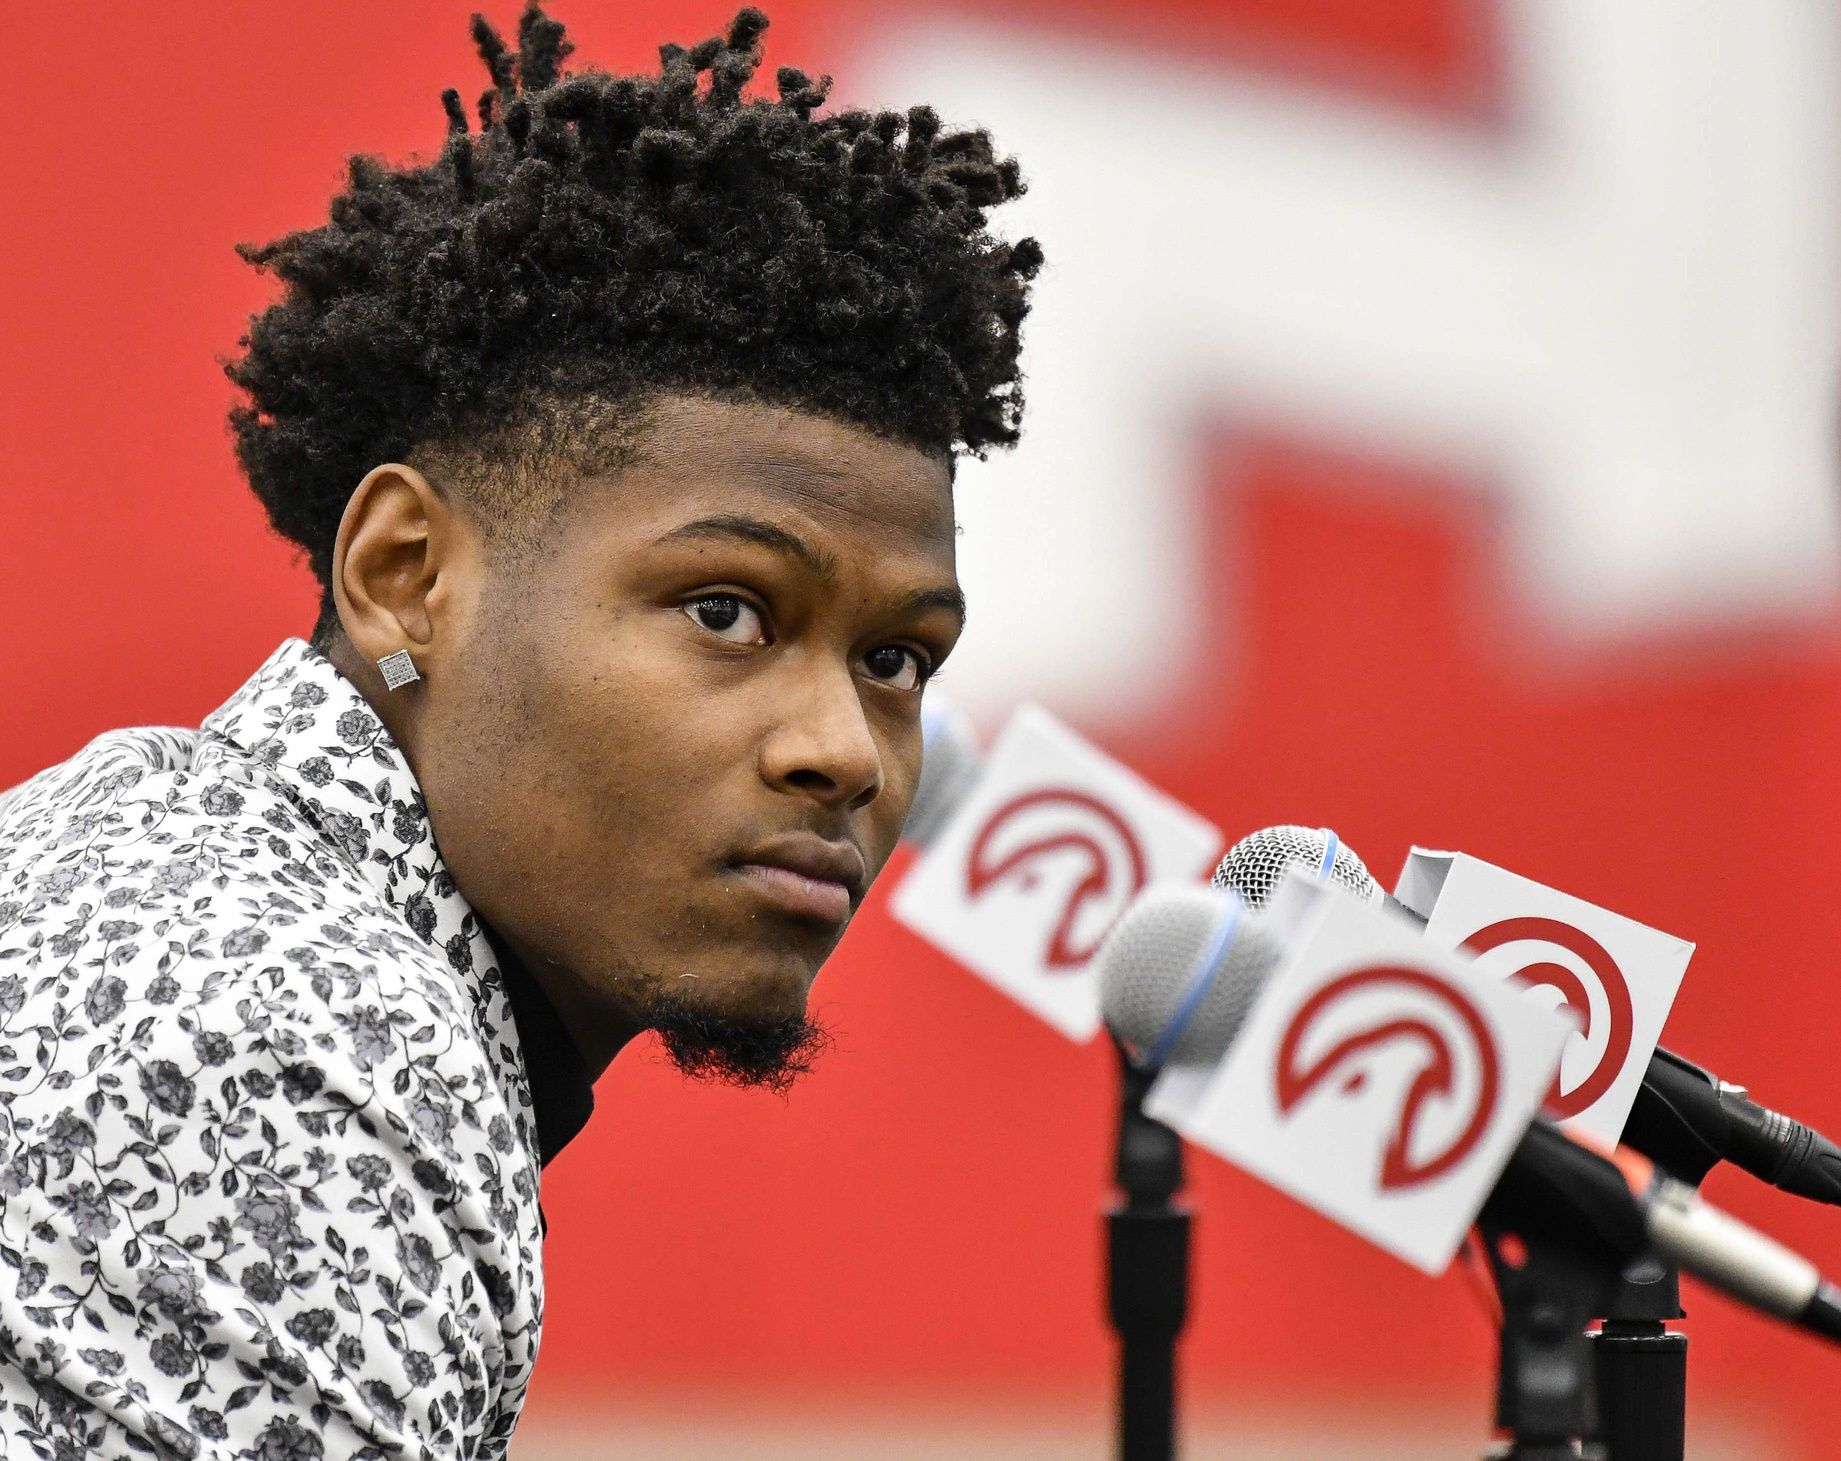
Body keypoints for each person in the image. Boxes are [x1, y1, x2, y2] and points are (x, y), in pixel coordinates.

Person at [0, 4, 1039, 1455]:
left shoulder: (192, 872)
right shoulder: (303, 1046)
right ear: (405, 579)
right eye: (727, 612)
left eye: (892, 660)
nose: (845, 752)